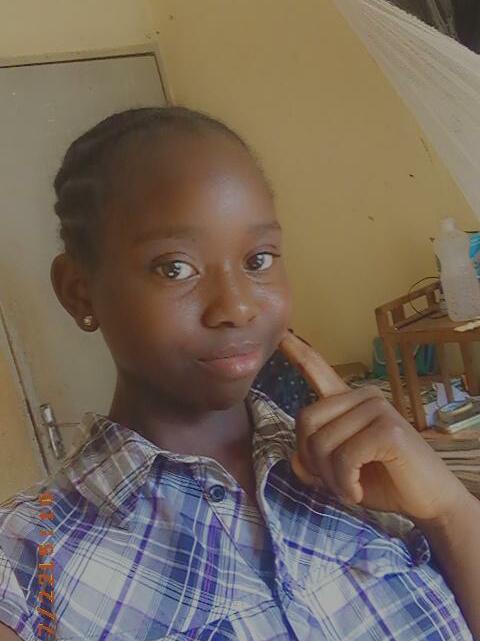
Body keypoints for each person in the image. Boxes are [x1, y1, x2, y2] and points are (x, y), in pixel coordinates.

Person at [0, 106, 477, 641]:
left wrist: (449, 510)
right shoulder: (26, 567)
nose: (238, 306)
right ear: (78, 291)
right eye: (175, 268)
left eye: (258, 260)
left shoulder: (369, 474)